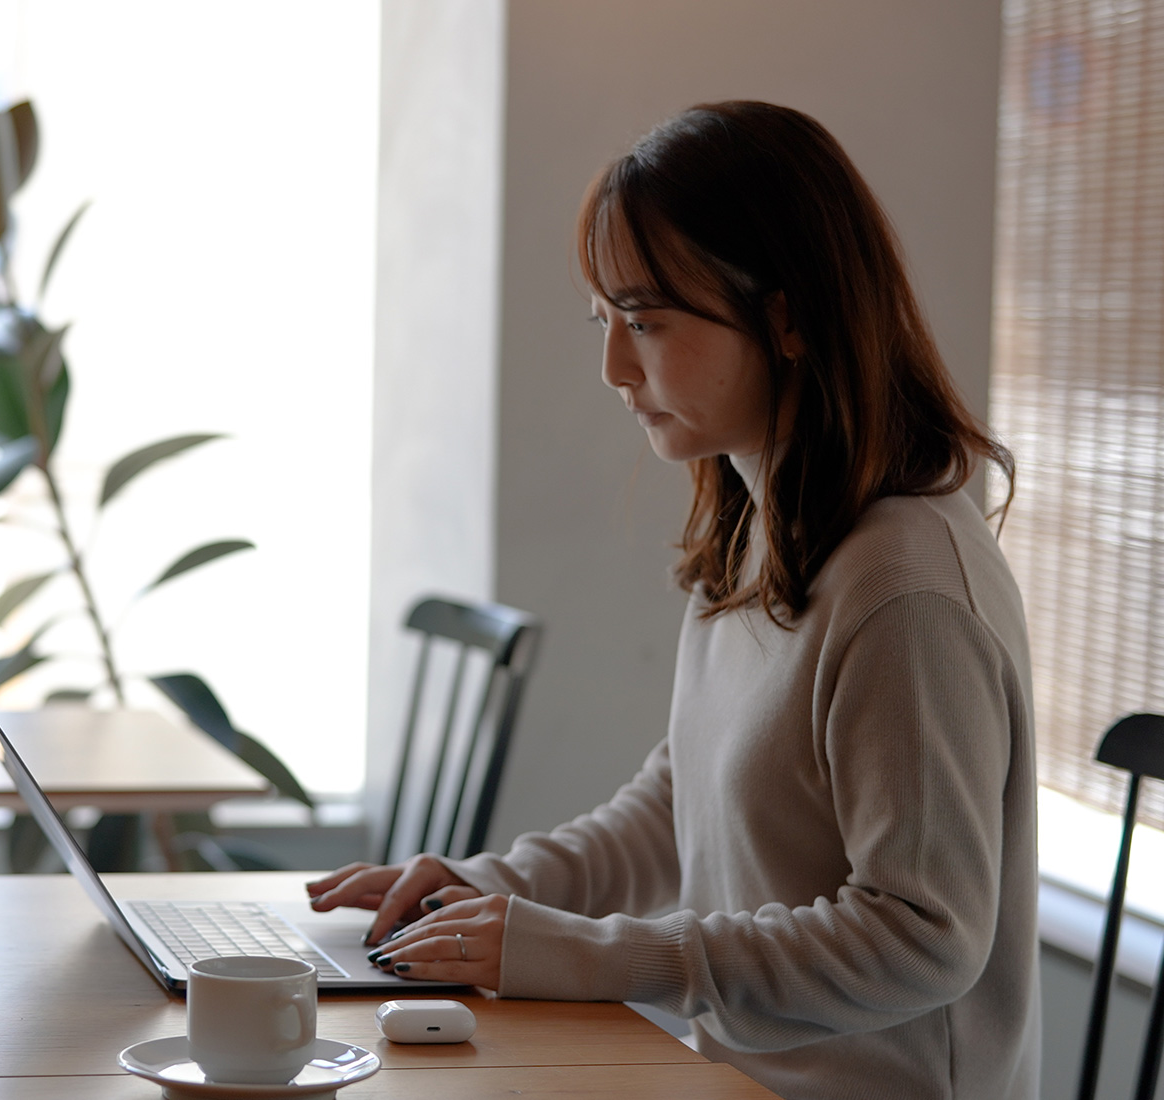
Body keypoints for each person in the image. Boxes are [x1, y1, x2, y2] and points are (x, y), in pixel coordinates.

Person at [306, 101, 1038, 1100]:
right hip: (733, 1075)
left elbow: (922, 936)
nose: (614, 368)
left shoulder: (903, 593)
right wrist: (496, 885)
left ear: (785, 317)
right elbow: (683, 801)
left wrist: (591, 953)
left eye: (647, 322)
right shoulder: (766, 525)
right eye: (605, 319)